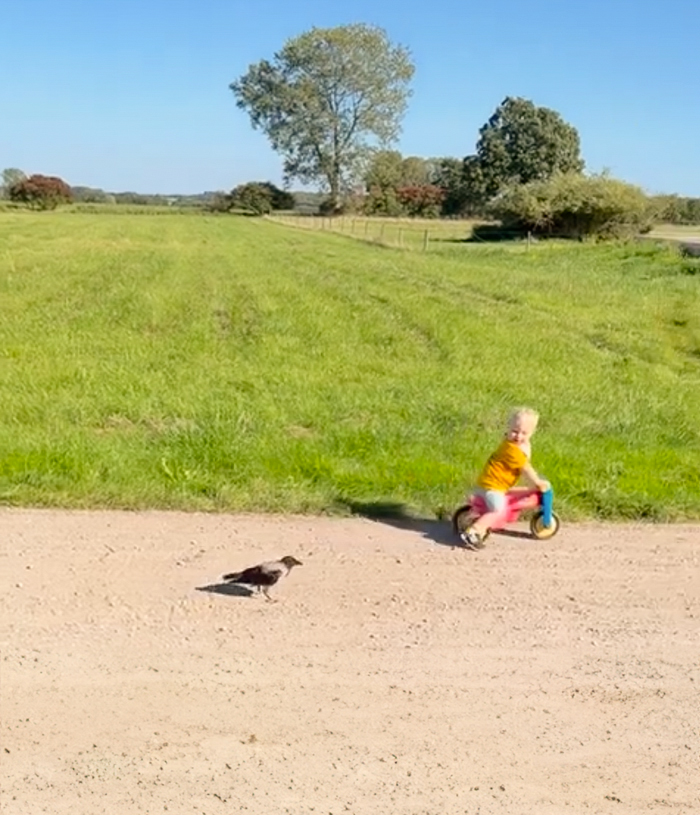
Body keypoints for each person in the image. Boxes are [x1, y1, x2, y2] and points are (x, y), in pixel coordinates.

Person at [463, 407, 549, 549]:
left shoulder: (518, 445)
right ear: (508, 429)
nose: (518, 436)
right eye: (515, 431)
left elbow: (525, 459)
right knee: (497, 510)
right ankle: (474, 531)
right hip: (491, 486)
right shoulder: (511, 449)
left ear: (532, 433)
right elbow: (525, 468)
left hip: (498, 484)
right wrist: (537, 482)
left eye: (524, 433)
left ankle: (480, 523)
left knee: (521, 492)